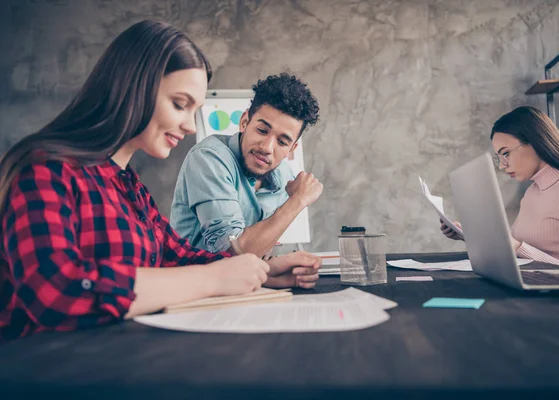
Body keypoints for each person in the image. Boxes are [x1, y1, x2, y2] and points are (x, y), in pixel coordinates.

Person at [0, 20, 320, 342]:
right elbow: (55, 294)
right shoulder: (44, 170)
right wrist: (209, 280)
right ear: (133, 87)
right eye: (180, 104)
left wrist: (263, 273)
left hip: (119, 357)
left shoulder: (129, 186)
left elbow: (177, 257)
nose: (191, 126)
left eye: (194, 109)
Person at [170, 73, 322, 257]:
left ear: (292, 149)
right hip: (191, 280)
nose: (267, 148)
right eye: (261, 130)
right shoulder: (209, 157)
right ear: (244, 122)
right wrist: (297, 201)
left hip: (242, 282)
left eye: (282, 142)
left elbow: (259, 252)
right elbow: (232, 254)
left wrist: (277, 269)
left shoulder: (285, 177)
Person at [441, 106, 559, 264]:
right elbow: (514, 252)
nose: (502, 165)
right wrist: (470, 236)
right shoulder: (532, 192)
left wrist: (516, 246)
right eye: (499, 157)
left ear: (536, 142)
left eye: (506, 153)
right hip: (529, 285)